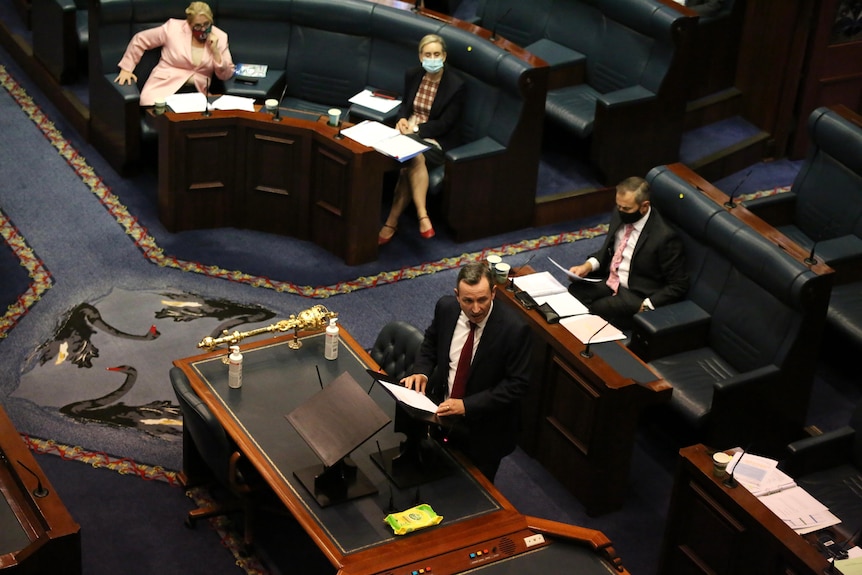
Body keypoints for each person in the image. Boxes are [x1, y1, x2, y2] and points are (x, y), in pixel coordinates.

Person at [401, 262, 531, 481]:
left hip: (485, 430)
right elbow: (431, 342)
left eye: (482, 299)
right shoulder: (446, 308)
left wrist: (466, 406)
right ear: (457, 295)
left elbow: (517, 384)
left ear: (493, 292)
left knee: (475, 492)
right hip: (441, 416)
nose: (476, 309)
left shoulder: (515, 330)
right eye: (468, 301)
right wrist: (421, 371)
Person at [378, 34, 466, 245]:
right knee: (412, 158)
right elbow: (405, 105)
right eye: (428, 54)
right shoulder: (414, 74)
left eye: (437, 54)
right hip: (408, 134)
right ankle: (422, 216)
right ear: (420, 57)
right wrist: (400, 120)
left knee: (413, 156)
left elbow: (446, 123)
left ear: (444, 56)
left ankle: (393, 221)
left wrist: (416, 130)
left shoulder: (456, 85)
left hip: (436, 141)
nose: (432, 58)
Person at [567, 176, 688, 329]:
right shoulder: (619, 213)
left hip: (636, 293)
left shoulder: (665, 237)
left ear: (644, 206)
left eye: (627, 209)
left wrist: (647, 305)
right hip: (611, 279)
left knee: (597, 309)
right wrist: (587, 266)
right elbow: (609, 250)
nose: (621, 212)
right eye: (619, 207)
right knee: (575, 292)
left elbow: (679, 285)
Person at [114, 2, 235, 107]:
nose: (203, 29)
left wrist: (216, 52)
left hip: (196, 92)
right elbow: (140, 39)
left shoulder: (220, 37)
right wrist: (126, 68)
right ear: (189, 24)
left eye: (206, 24)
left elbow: (226, 74)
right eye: (197, 26)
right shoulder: (173, 28)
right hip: (164, 86)